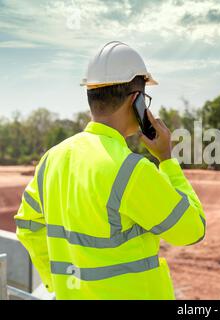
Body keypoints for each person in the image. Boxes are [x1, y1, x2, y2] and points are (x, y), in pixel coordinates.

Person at [14, 41, 206, 299]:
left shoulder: (52, 159)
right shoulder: (132, 170)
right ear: (136, 101)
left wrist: (57, 283)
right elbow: (192, 230)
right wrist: (167, 160)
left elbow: (27, 226)